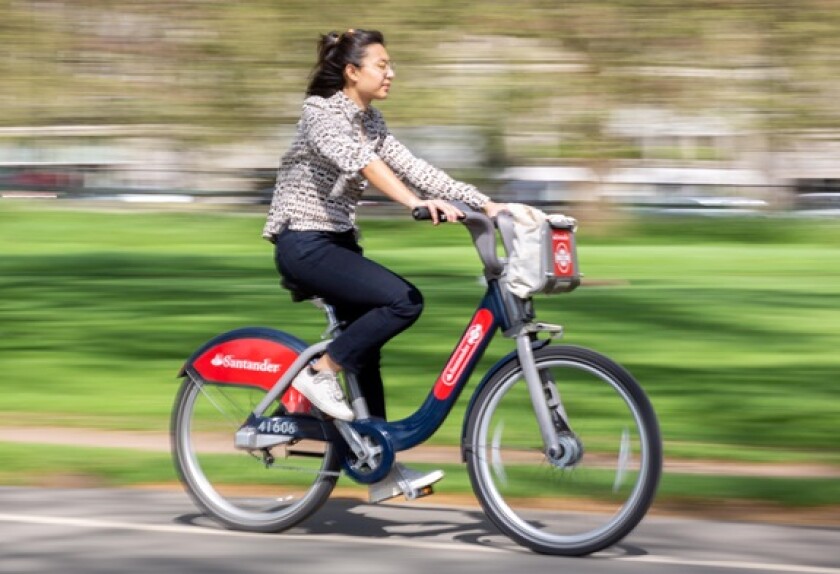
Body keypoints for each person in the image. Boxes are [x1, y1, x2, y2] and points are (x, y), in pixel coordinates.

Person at [262, 28, 507, 501]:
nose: (391, 72)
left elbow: (413, 165)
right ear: (352, 72)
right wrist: (414, 203)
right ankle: (319, 374)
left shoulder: (371, 121)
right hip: (304, 243)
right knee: (402, 300)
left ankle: (376, 463)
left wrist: (486, 203)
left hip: (337, 244)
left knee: (366, 347)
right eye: (382, 65)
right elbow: (362, 165)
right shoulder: (321, 113)